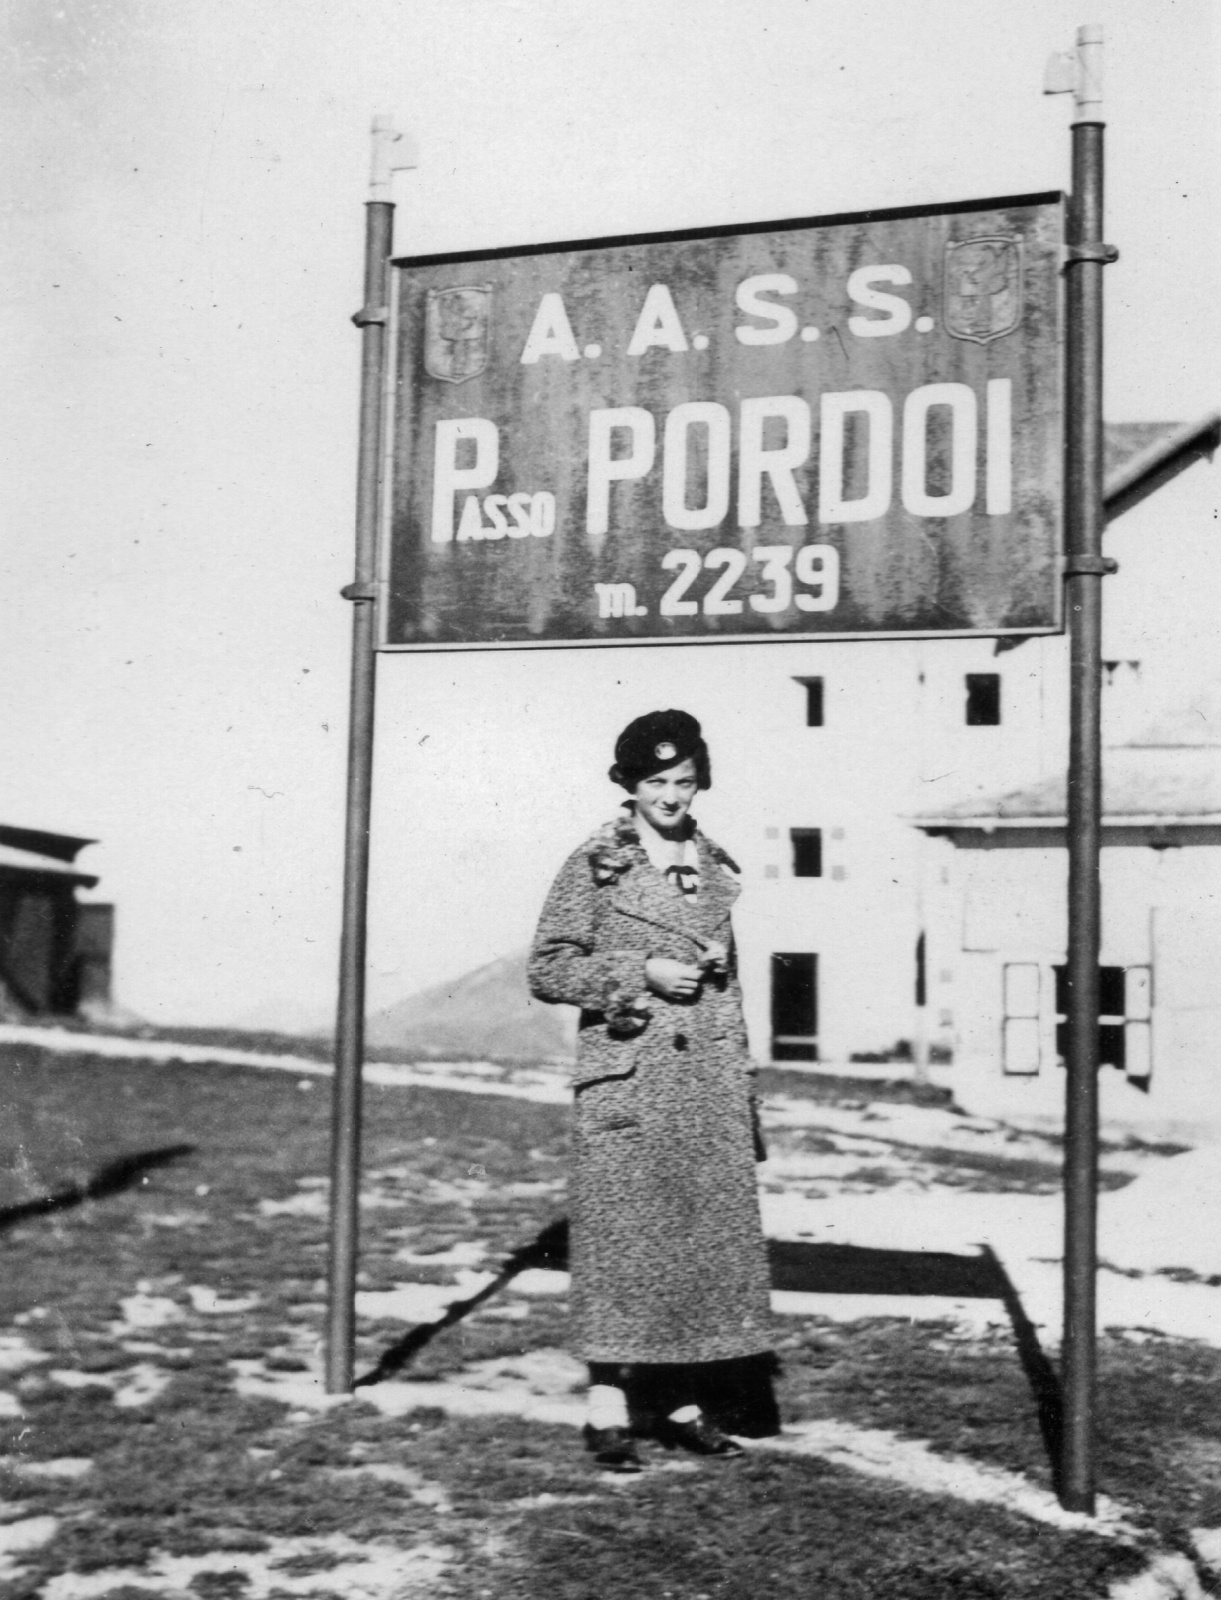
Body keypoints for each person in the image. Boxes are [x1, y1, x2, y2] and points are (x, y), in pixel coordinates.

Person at [528, 709, 779, 1472]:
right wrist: (638, 973)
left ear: (700, 779)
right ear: (627, 786)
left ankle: (679, 1404)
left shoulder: (713, 863)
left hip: (703, 1084)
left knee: (694, 1247)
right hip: (633, 1080)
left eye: (683, 780)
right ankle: (607, 1409)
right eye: (654, 782)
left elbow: (728, 994)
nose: (670, 795)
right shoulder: (597, 861)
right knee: (625, 1248)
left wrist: (742, 1091)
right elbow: (547, 968)